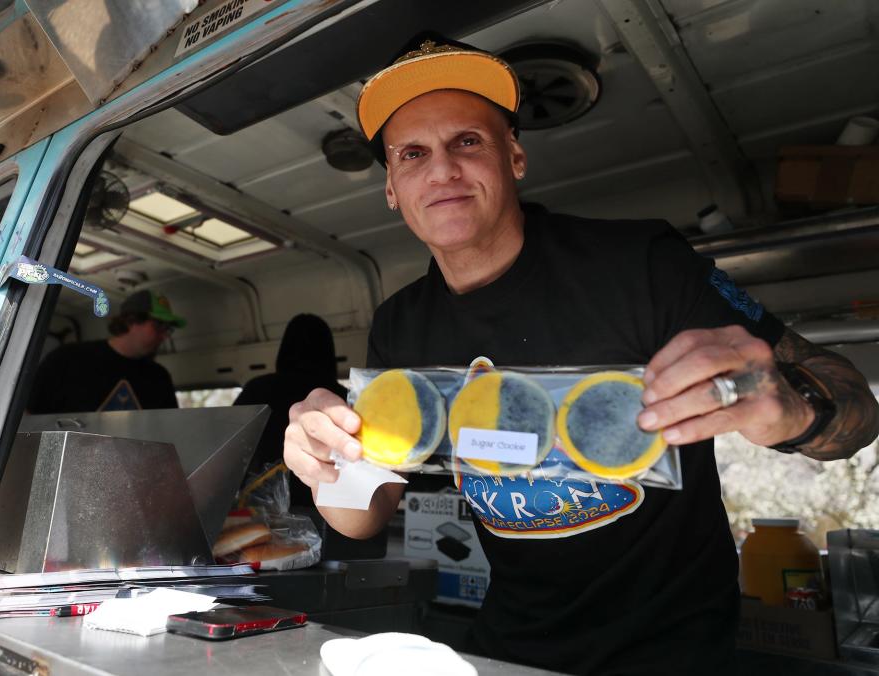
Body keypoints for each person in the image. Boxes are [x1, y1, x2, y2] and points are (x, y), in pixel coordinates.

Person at [282, 33, 879, 675]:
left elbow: (857, 414)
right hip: (512, 650)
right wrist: (327, 465)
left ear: (514, 156)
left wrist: (788, 409)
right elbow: (364, 517)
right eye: (413, 154)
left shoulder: (641, 265)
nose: (443, 169)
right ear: (394, 190)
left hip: (677, 654)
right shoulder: (400, 325)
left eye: (468, 142)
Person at [234, 313, 347, 506]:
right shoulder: (342, 397)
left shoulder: (257, 388)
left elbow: (231, 446)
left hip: (262, 505)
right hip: (328, 505)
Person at [27, 290, 183, 414]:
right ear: (131, 320)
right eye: (159, 326)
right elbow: (28, 412)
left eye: (168, 329)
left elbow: (166, 428)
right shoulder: (66, 359)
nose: (164, 336)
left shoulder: (159, 378)